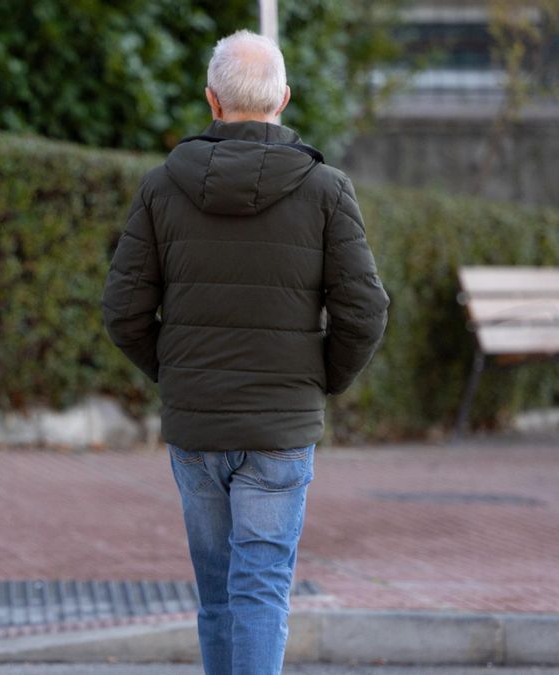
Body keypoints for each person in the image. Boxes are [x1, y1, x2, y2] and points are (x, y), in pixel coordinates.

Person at [102, 30, 389, 675]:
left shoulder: (161, 188)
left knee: (216, 597)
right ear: (284, 99)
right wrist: (318, 381)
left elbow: (123, 312)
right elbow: (365, 311)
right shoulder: (327, 190)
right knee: (260, 591)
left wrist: (174, 372)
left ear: (212, 100)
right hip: (280, 427)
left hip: (197, 420)